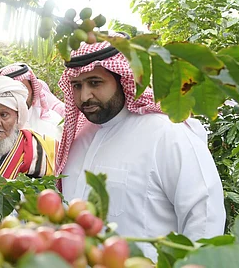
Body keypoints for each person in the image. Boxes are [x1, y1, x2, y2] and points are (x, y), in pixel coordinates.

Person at [56, 36, 225, 260]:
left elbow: (205, 217)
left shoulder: (167, 134)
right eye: (77, 86)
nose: (84, 96)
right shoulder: (78, 139)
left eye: (95, 83)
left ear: (123, 79)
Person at [0, 63, 64, 140]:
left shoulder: (54, 123)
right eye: (11, 92)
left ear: (33, 90)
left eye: (23, 91)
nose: (18, 98)